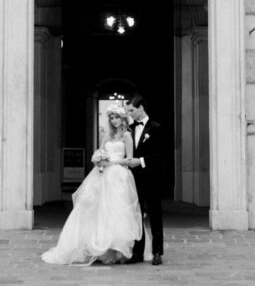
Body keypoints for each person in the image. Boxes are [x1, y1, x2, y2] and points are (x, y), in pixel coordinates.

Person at [41, 106, 142, 265]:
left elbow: (129, 159)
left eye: (116, 117)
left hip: (118, 176)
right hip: (102, 175)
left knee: (116, 211)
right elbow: (99, 151)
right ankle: (99, 248)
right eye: (111, 118)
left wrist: (110, 162)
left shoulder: (127, 135)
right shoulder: (107, 135)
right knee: (98, 210)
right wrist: (97, 158)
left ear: (122, 119)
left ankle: (116, 249)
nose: (114, 120)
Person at [124, 94, 165, 266]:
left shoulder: (156, 127)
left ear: (141, 108)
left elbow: (162, 156)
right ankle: (137, 253)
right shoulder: (129, 130)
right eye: (128, 111)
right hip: (135, 180)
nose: (130, 114)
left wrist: (140, 161)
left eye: (132, 110)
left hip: (152, 178)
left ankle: (157, 252)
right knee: (136, 215)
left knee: (155, 215)